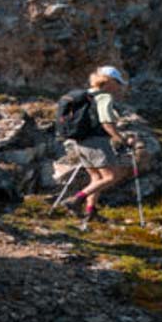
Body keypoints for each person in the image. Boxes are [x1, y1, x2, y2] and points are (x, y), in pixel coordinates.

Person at [58, 66, 136, 225]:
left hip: (80, 142)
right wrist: (120, 139)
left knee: (96, 178)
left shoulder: (85, 95)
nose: (119, 87)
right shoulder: (104, 97)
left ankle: (90, 211)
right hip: (97, 142)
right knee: (111, 176)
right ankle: (75, 200)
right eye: (117, 83)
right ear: (109, 82)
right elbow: (106, 122)